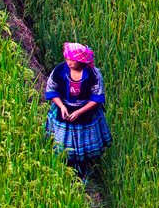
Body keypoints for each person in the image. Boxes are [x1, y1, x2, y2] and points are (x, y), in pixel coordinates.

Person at [45, 42, 110, 170]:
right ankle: (64, 164)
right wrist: (62, 107)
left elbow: (96, 97)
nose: (69, 63)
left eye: (73, 60)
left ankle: (85, 165)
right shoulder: (59, 70)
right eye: (67, 59)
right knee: (62, 142)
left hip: (86, 110)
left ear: (81, 61)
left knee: (83, 140)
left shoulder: (93, 74)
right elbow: (52, 89)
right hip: (64, 107)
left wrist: (79, 112)